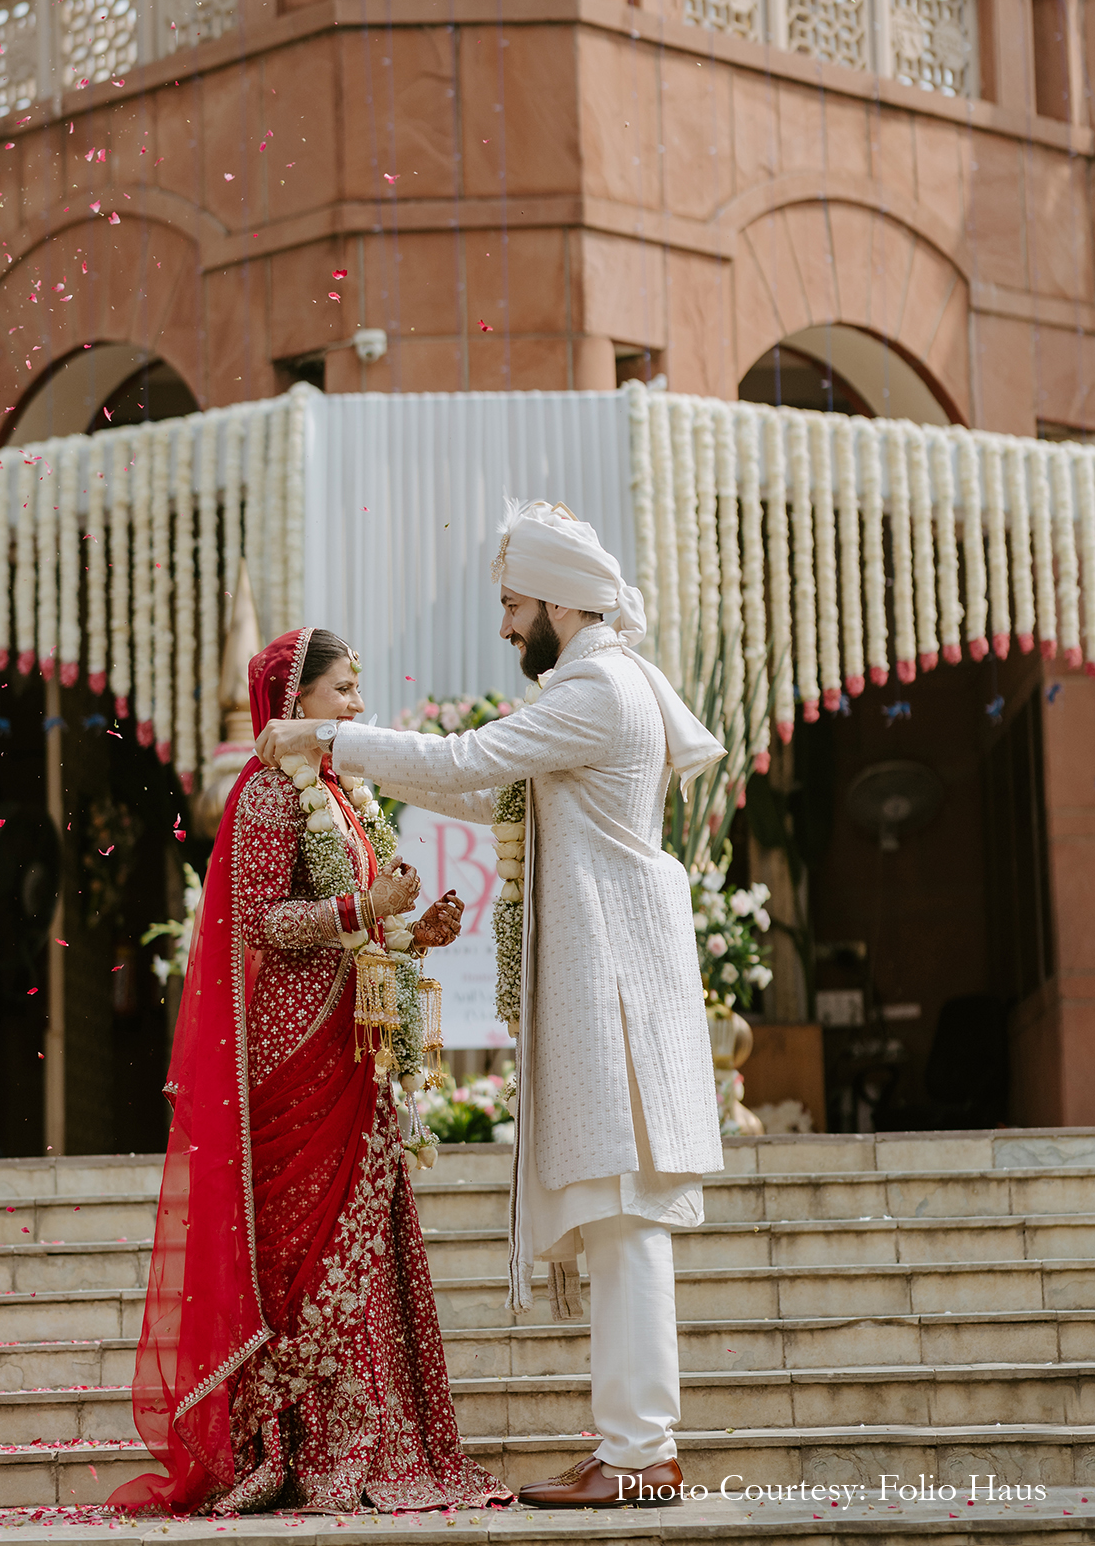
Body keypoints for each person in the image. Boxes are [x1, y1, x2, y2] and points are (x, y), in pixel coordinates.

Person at [255, 502, 727, 1511]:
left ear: (559, 597)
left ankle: (640, 1456)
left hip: (614, 980)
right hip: (609, 977)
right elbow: (488, 792)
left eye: (514, 605)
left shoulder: (599, 687)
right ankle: (631, 1446)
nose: (507, 627)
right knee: (616, 1219)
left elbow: (470, 765)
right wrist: (351, 749)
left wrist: (327, 741)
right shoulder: (596, 683)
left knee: (625, 1218)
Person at [111, 626, 512, 1516]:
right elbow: (259, 919)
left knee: (362, 1237)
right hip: (295, 1051)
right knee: (301, 1245)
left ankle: (371, 1439)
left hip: (352, 1042)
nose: (356, 707)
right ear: (295, 704)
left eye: (357, 690)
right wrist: (361, 907)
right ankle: (296, 1443)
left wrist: (408, 930)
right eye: (342, 692)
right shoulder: (266, 794)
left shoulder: (345, 795)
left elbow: (357, 922)